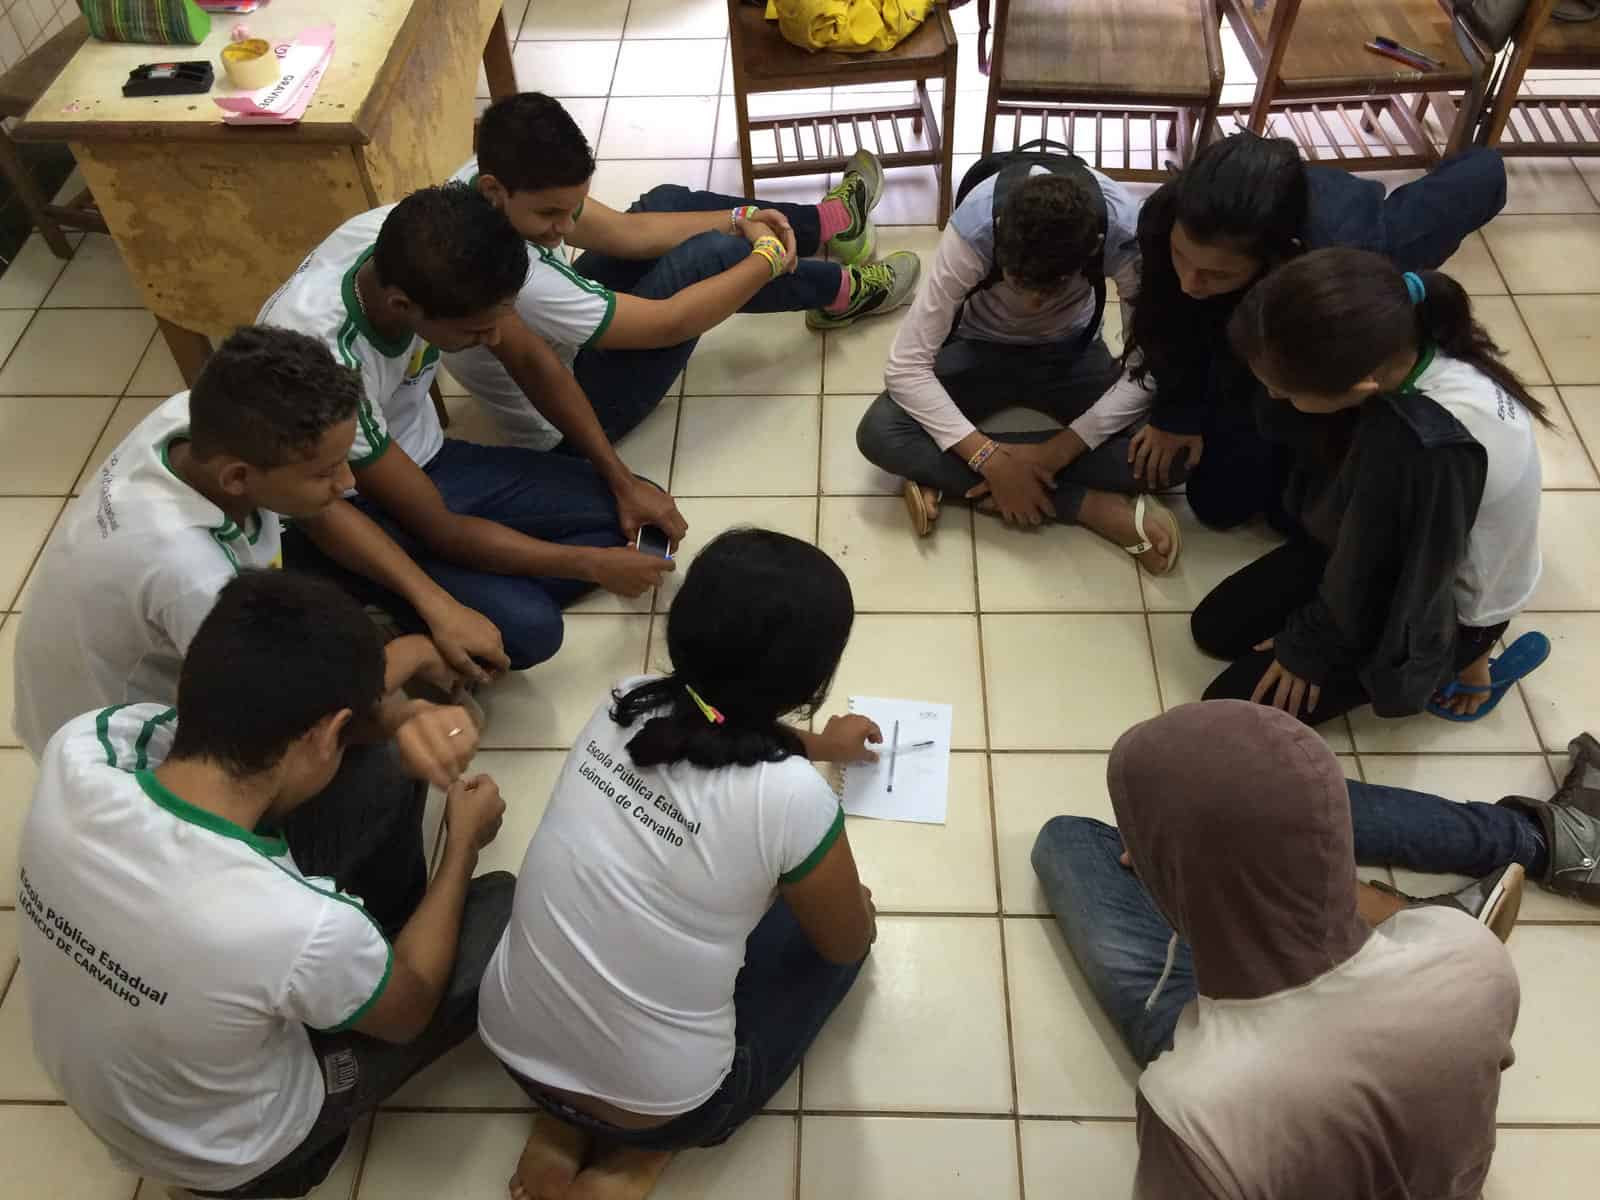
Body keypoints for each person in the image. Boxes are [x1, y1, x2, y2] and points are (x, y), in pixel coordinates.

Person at [16, 570, 513, 1199]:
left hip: (123, 1086)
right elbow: (410, 1014)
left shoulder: (86, 748)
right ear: (327, 732)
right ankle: (292, 1149)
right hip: (238, 1153)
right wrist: (462, 844)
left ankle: (366, 965)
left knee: (385, 768)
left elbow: (282, 743)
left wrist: (403, 716)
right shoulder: (296, 923)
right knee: (504, 909)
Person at [478, 530, 878, 1200]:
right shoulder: (790, 796)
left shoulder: (626, 701)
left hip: (512, 1046)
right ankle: (638, 1162)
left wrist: (819, 745)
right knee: (842, 932)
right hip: (662, 1105)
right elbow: (845, 940)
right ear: (814, 678)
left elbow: (714, 714)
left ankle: (558, 1129)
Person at [1032, 701, 1522, 1199]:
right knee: (1260, 788)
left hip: (1248, 1096)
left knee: (1068, 841)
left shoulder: (1191, 1108)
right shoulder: (1469, 950)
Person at [11, 325, 508, 762]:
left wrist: (433, 603)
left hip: (160, 665)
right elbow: (291, 713)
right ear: (237, 478)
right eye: (325, 472)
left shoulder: (196, 423)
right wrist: (414, 660)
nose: (349, 481)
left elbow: (320, 514)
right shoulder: (191, 575)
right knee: (369, 768)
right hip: (122, 751)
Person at [258, 183, 689, 670]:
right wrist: (587, 565)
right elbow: (441, 528)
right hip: (358, 502)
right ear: (402, 306)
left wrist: (621, 479)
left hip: (433, 460)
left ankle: (486, 581)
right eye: (477, 332)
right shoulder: (324, 357)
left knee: (636, 511)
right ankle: (389, 586)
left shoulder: (426, 249)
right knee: (532, 630)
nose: (495, 338)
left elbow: (532, 361)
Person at [1059, 133, 1506, 531]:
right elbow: (1168, 318)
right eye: (1181, 255)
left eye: (1216, 273)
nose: (1189, 281)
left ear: (1275, 258)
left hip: (1304, 349)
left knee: (1289, 514)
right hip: (1247, 339)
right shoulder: (1165, 216)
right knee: (1217, 505)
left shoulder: (1355, 255)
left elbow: (1484, 172)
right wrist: (1176, 413)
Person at [1193, 249, 1549, 726]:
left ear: (1361, 387)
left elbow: (1388, 574)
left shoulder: (1416, 446)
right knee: (1215, 627)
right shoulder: (1409, 342)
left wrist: (1309, 645)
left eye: (1285, 389)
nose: (1274, 396)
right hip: (1395, 540)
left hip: (1441, 601)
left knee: (1229, 707)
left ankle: (1469, 658)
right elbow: (1366, 540)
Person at [446, 92, 921, 448]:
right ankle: (843, 293)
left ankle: (828, 224)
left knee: (665, 204)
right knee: (711, 258)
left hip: (564, 351)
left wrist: (743, 219)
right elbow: (668, 323)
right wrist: (764, 260)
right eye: (550, 214)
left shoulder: (484, 179)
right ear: (494, 190)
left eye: (572, 209)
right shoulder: (522, 284)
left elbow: (624, 233)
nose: (565, 228)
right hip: (577, 415)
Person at [856, 153, 1184, 573]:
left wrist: (1053, 454)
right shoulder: (974, 228)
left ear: (1092, 249)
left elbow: (1146, 369)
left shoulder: (1124, 232)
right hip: (977, 349)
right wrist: (989, 460)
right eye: (1019, 283)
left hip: (1072, 354)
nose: (1032, 305)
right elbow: (905, 367)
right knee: (879, 432)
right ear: (999, 238)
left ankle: (941, 472)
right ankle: (1084, 505)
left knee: (1172, 453)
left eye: (1052, 289)